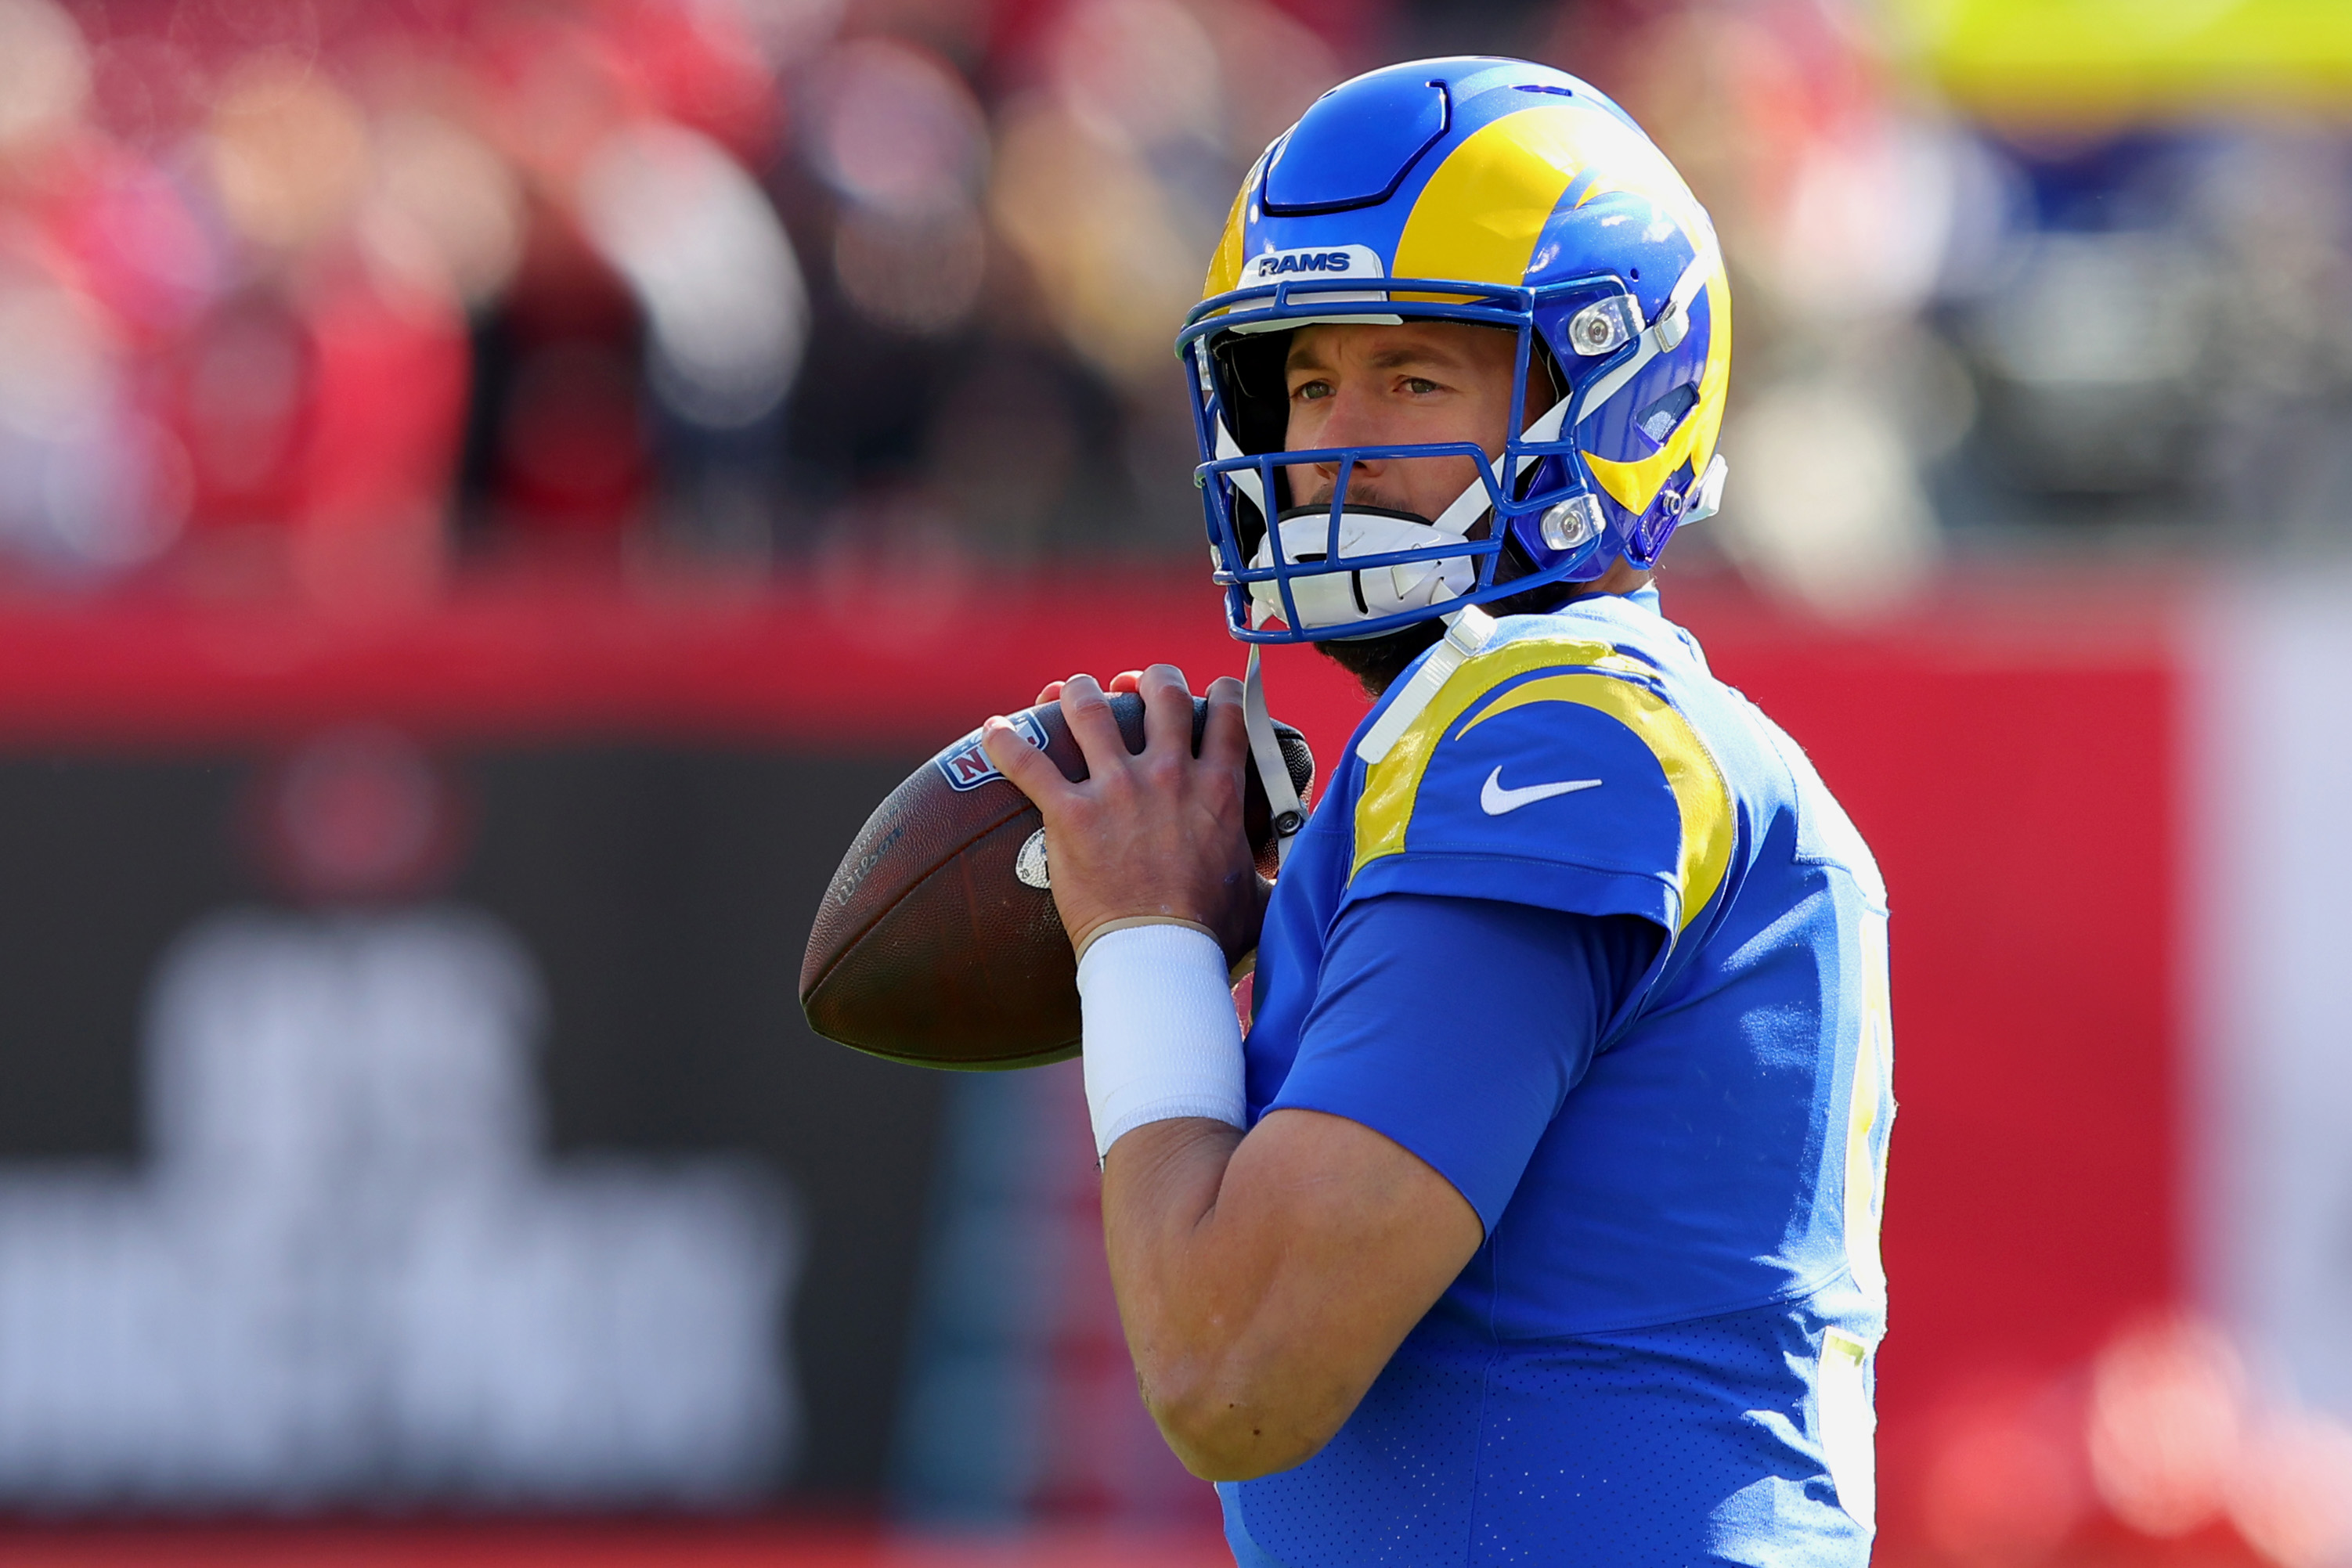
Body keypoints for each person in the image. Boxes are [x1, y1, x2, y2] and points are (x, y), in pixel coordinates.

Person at [981, 56, 1892, 1567]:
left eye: (1412, 376)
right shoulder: (1479, 734)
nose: (1330, 442)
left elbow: (1237, 1371)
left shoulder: (1563, 735)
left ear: (1612, 390)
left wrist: (1143, 946)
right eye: (1307, 382)